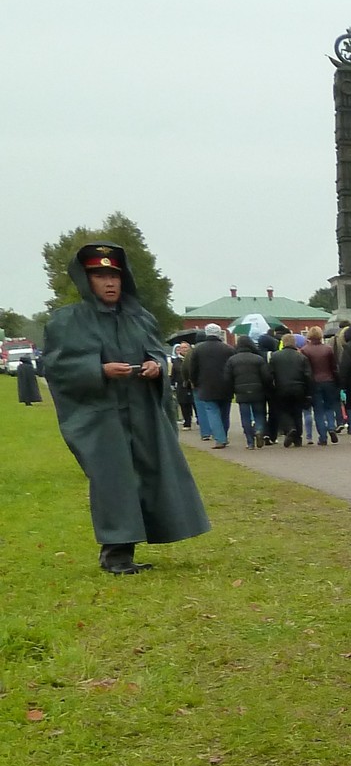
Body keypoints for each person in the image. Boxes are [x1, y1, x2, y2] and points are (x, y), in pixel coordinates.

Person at [36, 242, 209, 574]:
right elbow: (56, 368)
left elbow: (157, 352)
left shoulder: (139, 317)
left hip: (142, 411)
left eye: (114, 274)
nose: (109, 282)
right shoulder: (67, 320)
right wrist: (99, 370)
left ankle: (143, 541)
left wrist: (156, 366)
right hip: (101, 415)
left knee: (152, 475)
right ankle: (115, 554)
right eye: (100, 275)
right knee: (114, 479)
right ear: (87, 280)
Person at [187, 324, 234, 447]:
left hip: (206, 385)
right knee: (225, 412)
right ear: (219, 334)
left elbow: (193, 368)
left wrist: (194, 381)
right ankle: (223, 434)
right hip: (226, 385)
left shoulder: (198, 350)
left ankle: (220, 438)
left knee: (212, 411)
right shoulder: (228, 349)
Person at [225, 332, 272, 449]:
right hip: (258, 390)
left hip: (241, 391)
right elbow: (266, 376)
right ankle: (259, 430)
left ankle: (250, 442)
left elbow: (227, 378)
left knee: (245, 417)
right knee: (260, 414)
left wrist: (232, 389)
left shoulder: (232, 360)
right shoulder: (258, 359)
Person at [268, 332, 313, 447]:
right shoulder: (302, 357)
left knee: (283, 411)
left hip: (281, 388)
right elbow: (308, 375)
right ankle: (298, 438)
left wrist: (271, 388)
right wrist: (308, 392)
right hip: (299, 388)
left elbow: (270, 374)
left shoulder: (275, 356)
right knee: (297, 412)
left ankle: (289, 428)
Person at [299, 324, 339, 445]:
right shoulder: (328, 349)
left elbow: (304, 370)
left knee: (318, 411)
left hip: (314, 382)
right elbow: (334, 367)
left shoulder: (304, 350)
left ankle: (323, 437)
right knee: (329, 407)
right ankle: (331, 427)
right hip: (329, 381)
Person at [170, 341, 194, 428]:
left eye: (185, 347)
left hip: (193, 384)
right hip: (181, 385)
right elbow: (173, 373)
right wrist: (172, 384)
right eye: (182, 348)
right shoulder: (176, 361)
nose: (183, 349)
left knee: (194, 403)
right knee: (184, 404)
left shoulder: (193, 358)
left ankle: (200, 420)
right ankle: (187, 422)